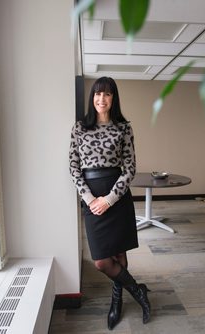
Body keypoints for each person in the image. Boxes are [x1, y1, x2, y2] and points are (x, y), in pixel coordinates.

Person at [69, 77, 151, 330]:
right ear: (92, 97)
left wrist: (110, 199)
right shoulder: (79, 128)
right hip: (92, 199)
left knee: (119, 254)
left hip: (117, 197)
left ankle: (116, 301)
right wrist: (91, 199)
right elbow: (73, 168)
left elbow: (129, 168)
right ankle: (138, 292)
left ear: (113, 98)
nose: (101, 99)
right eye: (97, 94)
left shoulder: (124, 128)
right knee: (102, 261)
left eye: (107, 94)